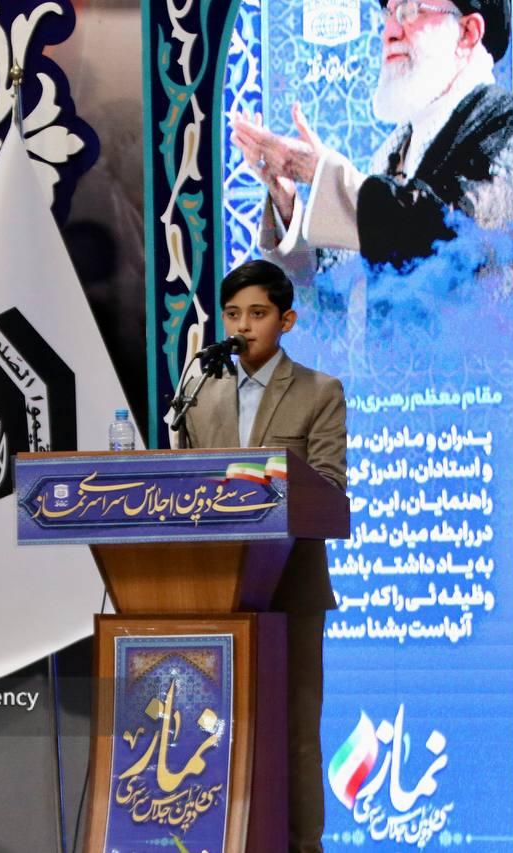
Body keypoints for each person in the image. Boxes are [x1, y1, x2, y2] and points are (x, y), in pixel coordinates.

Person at [183, 259, 346, 853]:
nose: (243, 327)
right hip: (215, 588)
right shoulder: (200, 393)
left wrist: (260, 484)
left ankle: (304, 845)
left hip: (292, 585)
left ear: (287, 320)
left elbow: (329, 486)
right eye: (232, 315)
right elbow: (186, 485)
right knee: (215, 729)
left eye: (257, 314)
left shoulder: (319, 391)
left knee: (296, 729)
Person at [231, 0, 513, 286]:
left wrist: (323, 174)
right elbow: (345, 283)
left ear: (467, 32)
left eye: (410, 11)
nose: (389, 33)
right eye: (389, 13)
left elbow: (457, 238)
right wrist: (287, 203)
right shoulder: (395, 149)